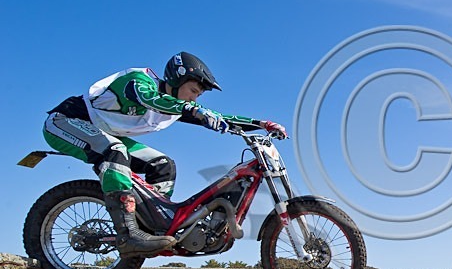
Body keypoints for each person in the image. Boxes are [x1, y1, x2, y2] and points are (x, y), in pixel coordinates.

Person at [43, 51, 286, 257]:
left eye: (198, 96)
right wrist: (193, 109)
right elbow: (149, 99)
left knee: (162, 165)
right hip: (67, 122)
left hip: (102, 132)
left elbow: (222, 118)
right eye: (193, 90)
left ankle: (152, 225)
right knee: (115, 151)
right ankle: (129, 234)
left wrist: (262, 123)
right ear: (177, 79)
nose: (194, 98)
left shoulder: (177, 104)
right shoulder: (138, 81)